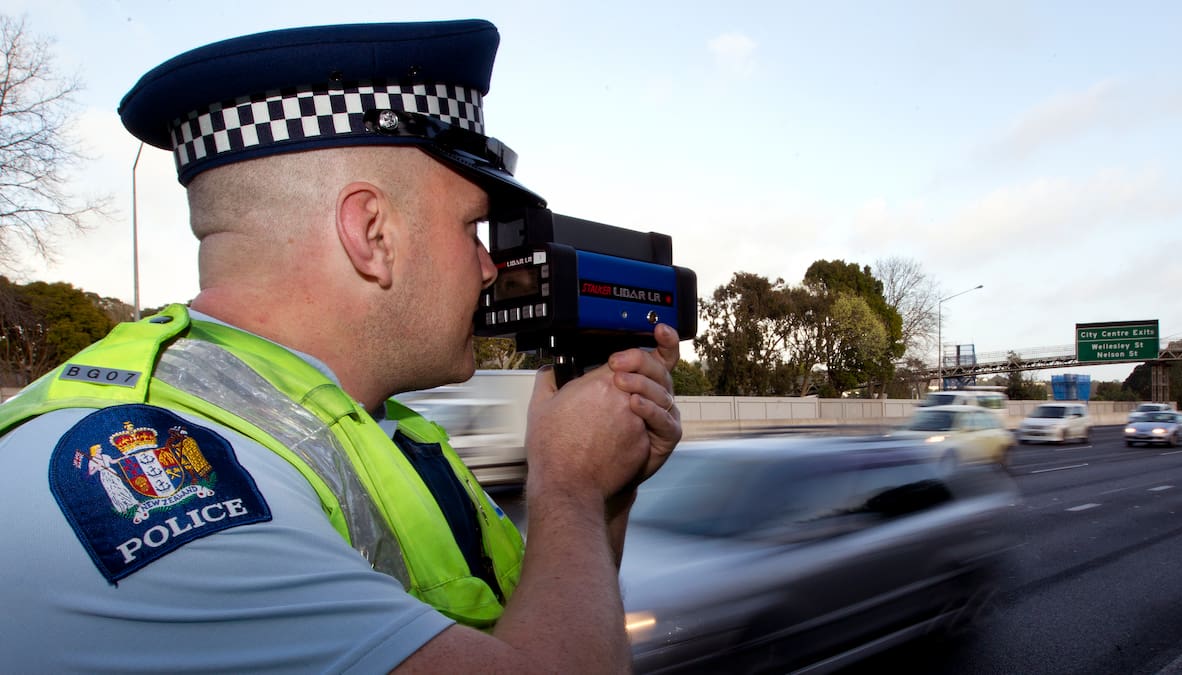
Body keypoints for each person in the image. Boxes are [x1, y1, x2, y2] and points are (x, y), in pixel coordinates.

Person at [0, 20, 682, 673]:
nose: (487, 267)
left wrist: (601, 495)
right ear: (372, 234)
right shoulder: (158, 487)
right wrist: (567, 486)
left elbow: (540, 631)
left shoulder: (379, 435)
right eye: (472, 228)